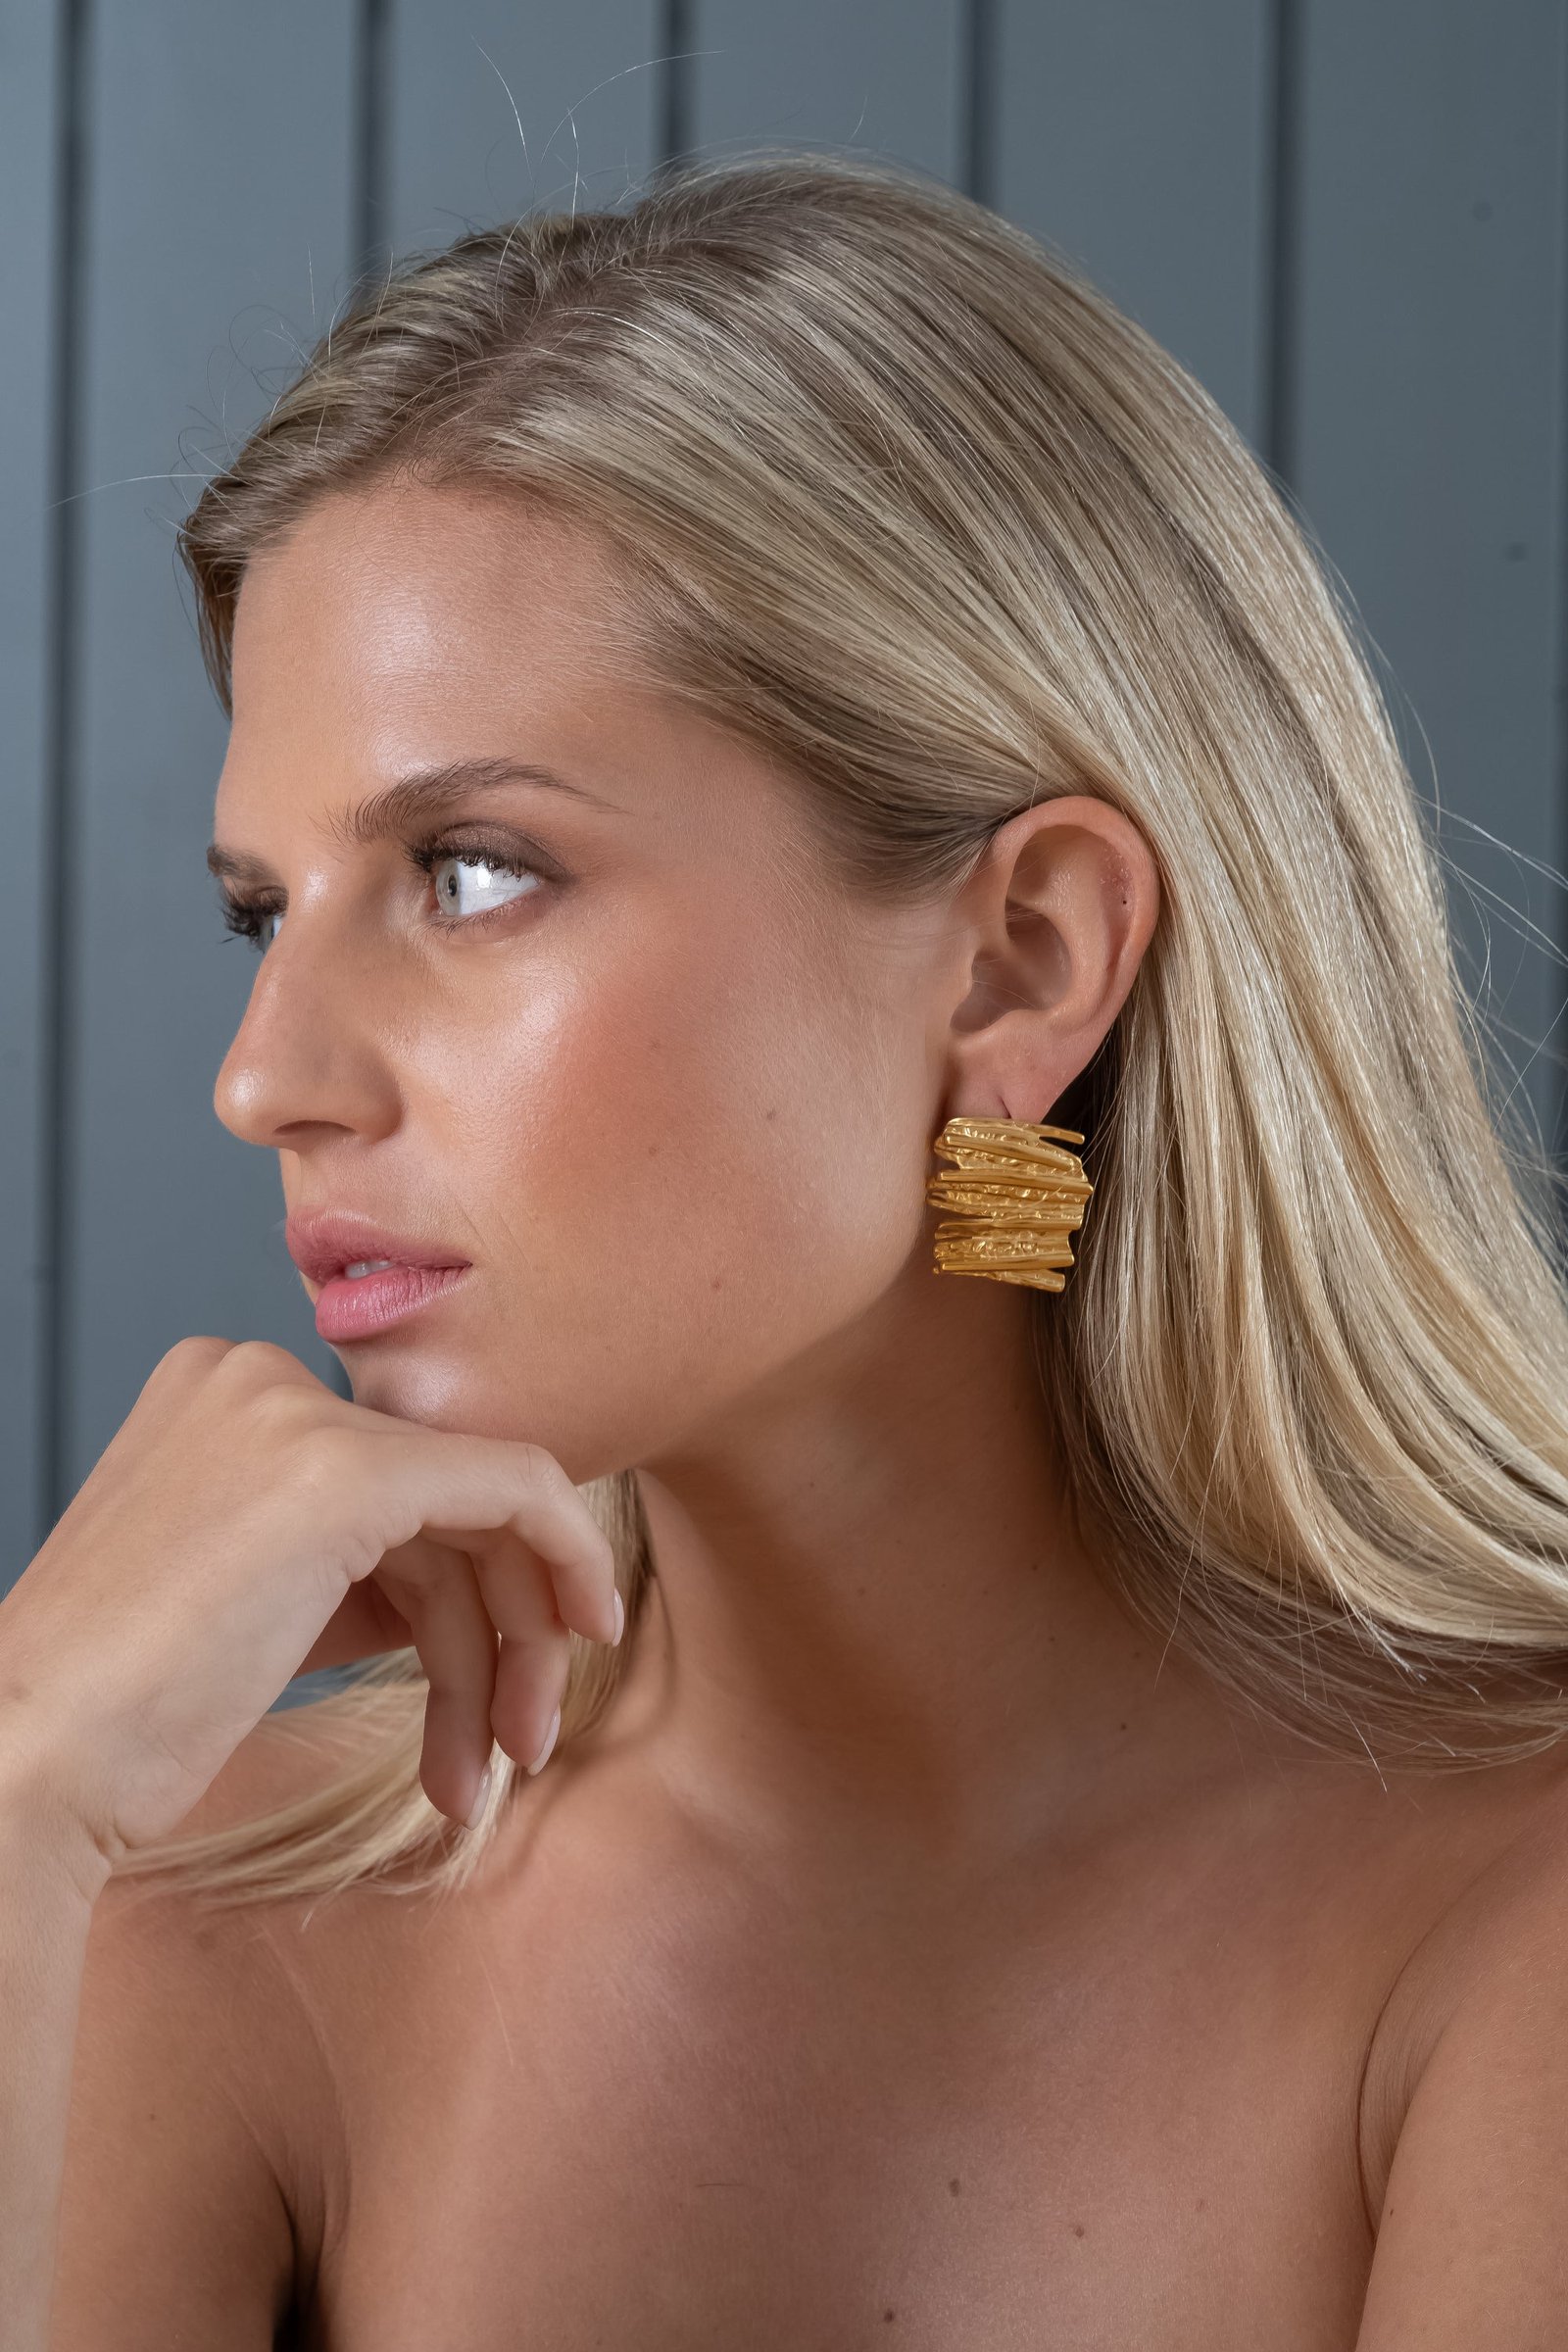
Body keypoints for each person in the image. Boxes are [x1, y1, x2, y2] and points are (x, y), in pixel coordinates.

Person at [4, 147, 1568, 2349]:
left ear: (1022, 960)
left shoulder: (1510, 1908)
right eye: (267, 910)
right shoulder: (173, 1906)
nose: (267, 1079)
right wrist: (24, 1777)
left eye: (468, 871)